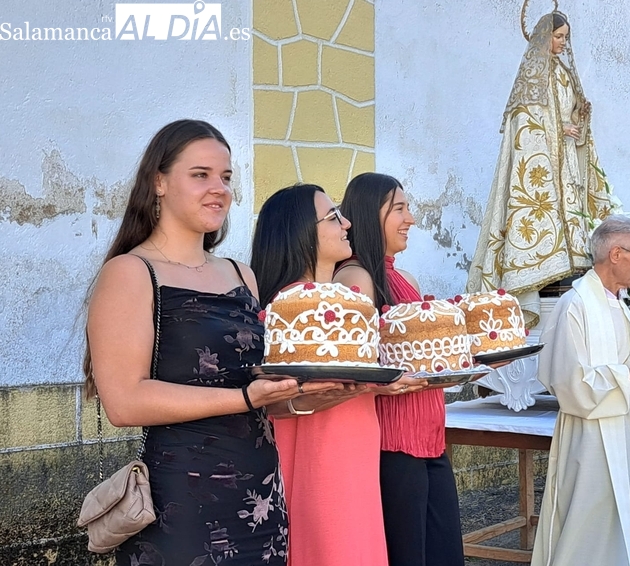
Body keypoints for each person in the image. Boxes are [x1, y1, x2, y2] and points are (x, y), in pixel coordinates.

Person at [84, 120, 339, 565]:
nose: (218, 188)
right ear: (158, 182)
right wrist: (244, 397)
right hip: (180, 505)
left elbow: (262, 396)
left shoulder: (241, 274)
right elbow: (123, 402)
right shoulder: (131, 272)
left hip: (261, 500)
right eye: (200, 174)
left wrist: (321, 392)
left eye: (226, 177)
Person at [249, 183, 418, 566]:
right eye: (332, 217)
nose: (346, 223)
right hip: (321, 459)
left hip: (354, 450)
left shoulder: (343, 304)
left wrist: (384, 384)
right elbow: (291, 391)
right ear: (299, 232)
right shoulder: (294, 307)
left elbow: (354, 374)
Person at [333, 172, 464, 566]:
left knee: (443, 552)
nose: (411, 219)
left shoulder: (402, 276)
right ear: (371, 215)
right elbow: (350, 363)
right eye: (399, 209)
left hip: (428, 435)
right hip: (392, 439)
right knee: (409, 553)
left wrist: (476, 359)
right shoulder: (356, 277)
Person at [466, 10, 621, 328]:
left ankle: (572, 266)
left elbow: (569, 112)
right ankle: (538, 274)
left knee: (573, 221)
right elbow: (521, 119)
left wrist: (580, 117)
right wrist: (557, 128)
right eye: (558, 36)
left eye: (566, 37)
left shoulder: (564, 72)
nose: (563, 42)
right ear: (542, 36)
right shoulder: (534, 73)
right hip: (543, 165)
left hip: (565, 165)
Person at [530, 215, 630, 566]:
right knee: (587, 522)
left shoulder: (617, 303)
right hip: (590, 436)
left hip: (624, 426)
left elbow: (622, 363)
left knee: (625, 520)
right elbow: (565, 379)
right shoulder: (575, 305)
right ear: (616, 254)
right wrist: (625, 379)